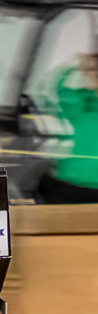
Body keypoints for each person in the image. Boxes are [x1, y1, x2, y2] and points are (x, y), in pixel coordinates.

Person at [38, 53, 98, 203]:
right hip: (71, 182)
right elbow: (55, 87)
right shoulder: (80, 102)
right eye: (92, 72)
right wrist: (73, 64)